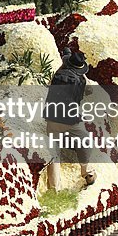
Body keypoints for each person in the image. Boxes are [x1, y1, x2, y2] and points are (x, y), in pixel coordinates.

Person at [43, 49, 97, 190]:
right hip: (68, 120)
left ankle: (54, 188)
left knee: (54, 152)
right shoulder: (80, 81)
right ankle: (88, 172)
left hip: (51, 118)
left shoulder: (59, 74)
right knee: (86, 141)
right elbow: (90, 92)